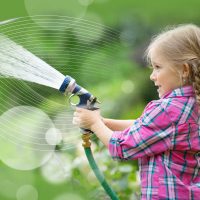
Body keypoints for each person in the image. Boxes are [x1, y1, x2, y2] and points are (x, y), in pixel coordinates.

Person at [73, 24, 200, 200]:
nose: (152, 75)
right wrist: (102, 122)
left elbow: (122, 147)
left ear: (184, 70)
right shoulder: (191, 104)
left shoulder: (167, 110)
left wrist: (94, 123)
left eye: (158, 67)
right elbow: (145, 128)